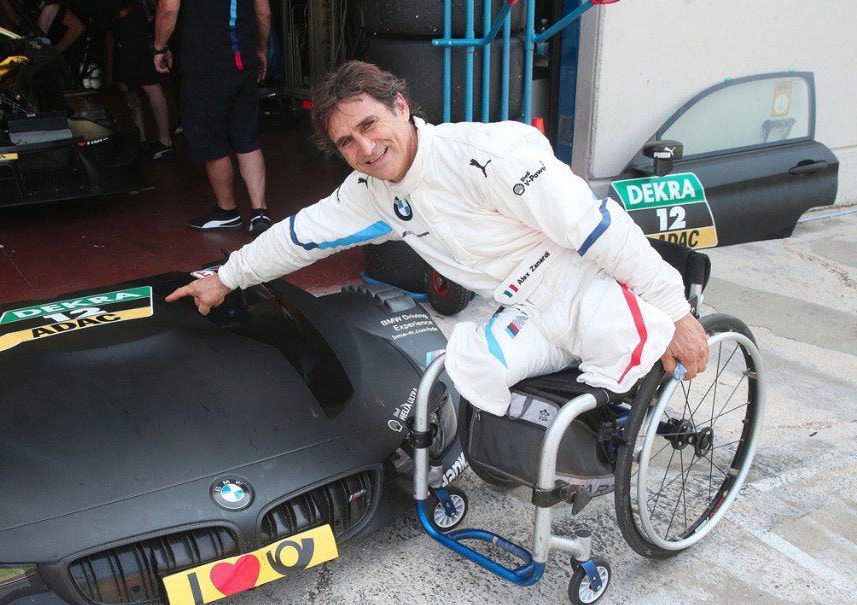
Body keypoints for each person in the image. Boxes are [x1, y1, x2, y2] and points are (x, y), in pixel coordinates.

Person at [166, 61, 708, 416]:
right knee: (467, 369)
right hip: (520, 308)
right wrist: (225, 278)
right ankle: (552, 448)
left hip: (586, 282)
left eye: (371, 124)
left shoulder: (484, 157)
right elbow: (297, 238)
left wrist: (678, 313)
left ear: (401, 106)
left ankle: (612, 417)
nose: (366, 148)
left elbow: (601, 231)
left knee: (609, 376)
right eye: (347, 143)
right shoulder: (367, 192)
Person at [152, 0, 273, 234]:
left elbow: (168, 8)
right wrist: (260, 49)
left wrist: (159, 47)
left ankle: (227, 212)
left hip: (203, 64)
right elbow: (264, 12)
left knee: (211, 140)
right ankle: (260, 212)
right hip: (242, 62)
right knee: (246, 137)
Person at [101, 0, 173, 160]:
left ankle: (164, 141)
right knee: (125, 82)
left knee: (149, 82)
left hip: (131, 23)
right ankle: (140, 139)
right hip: (119, 24)